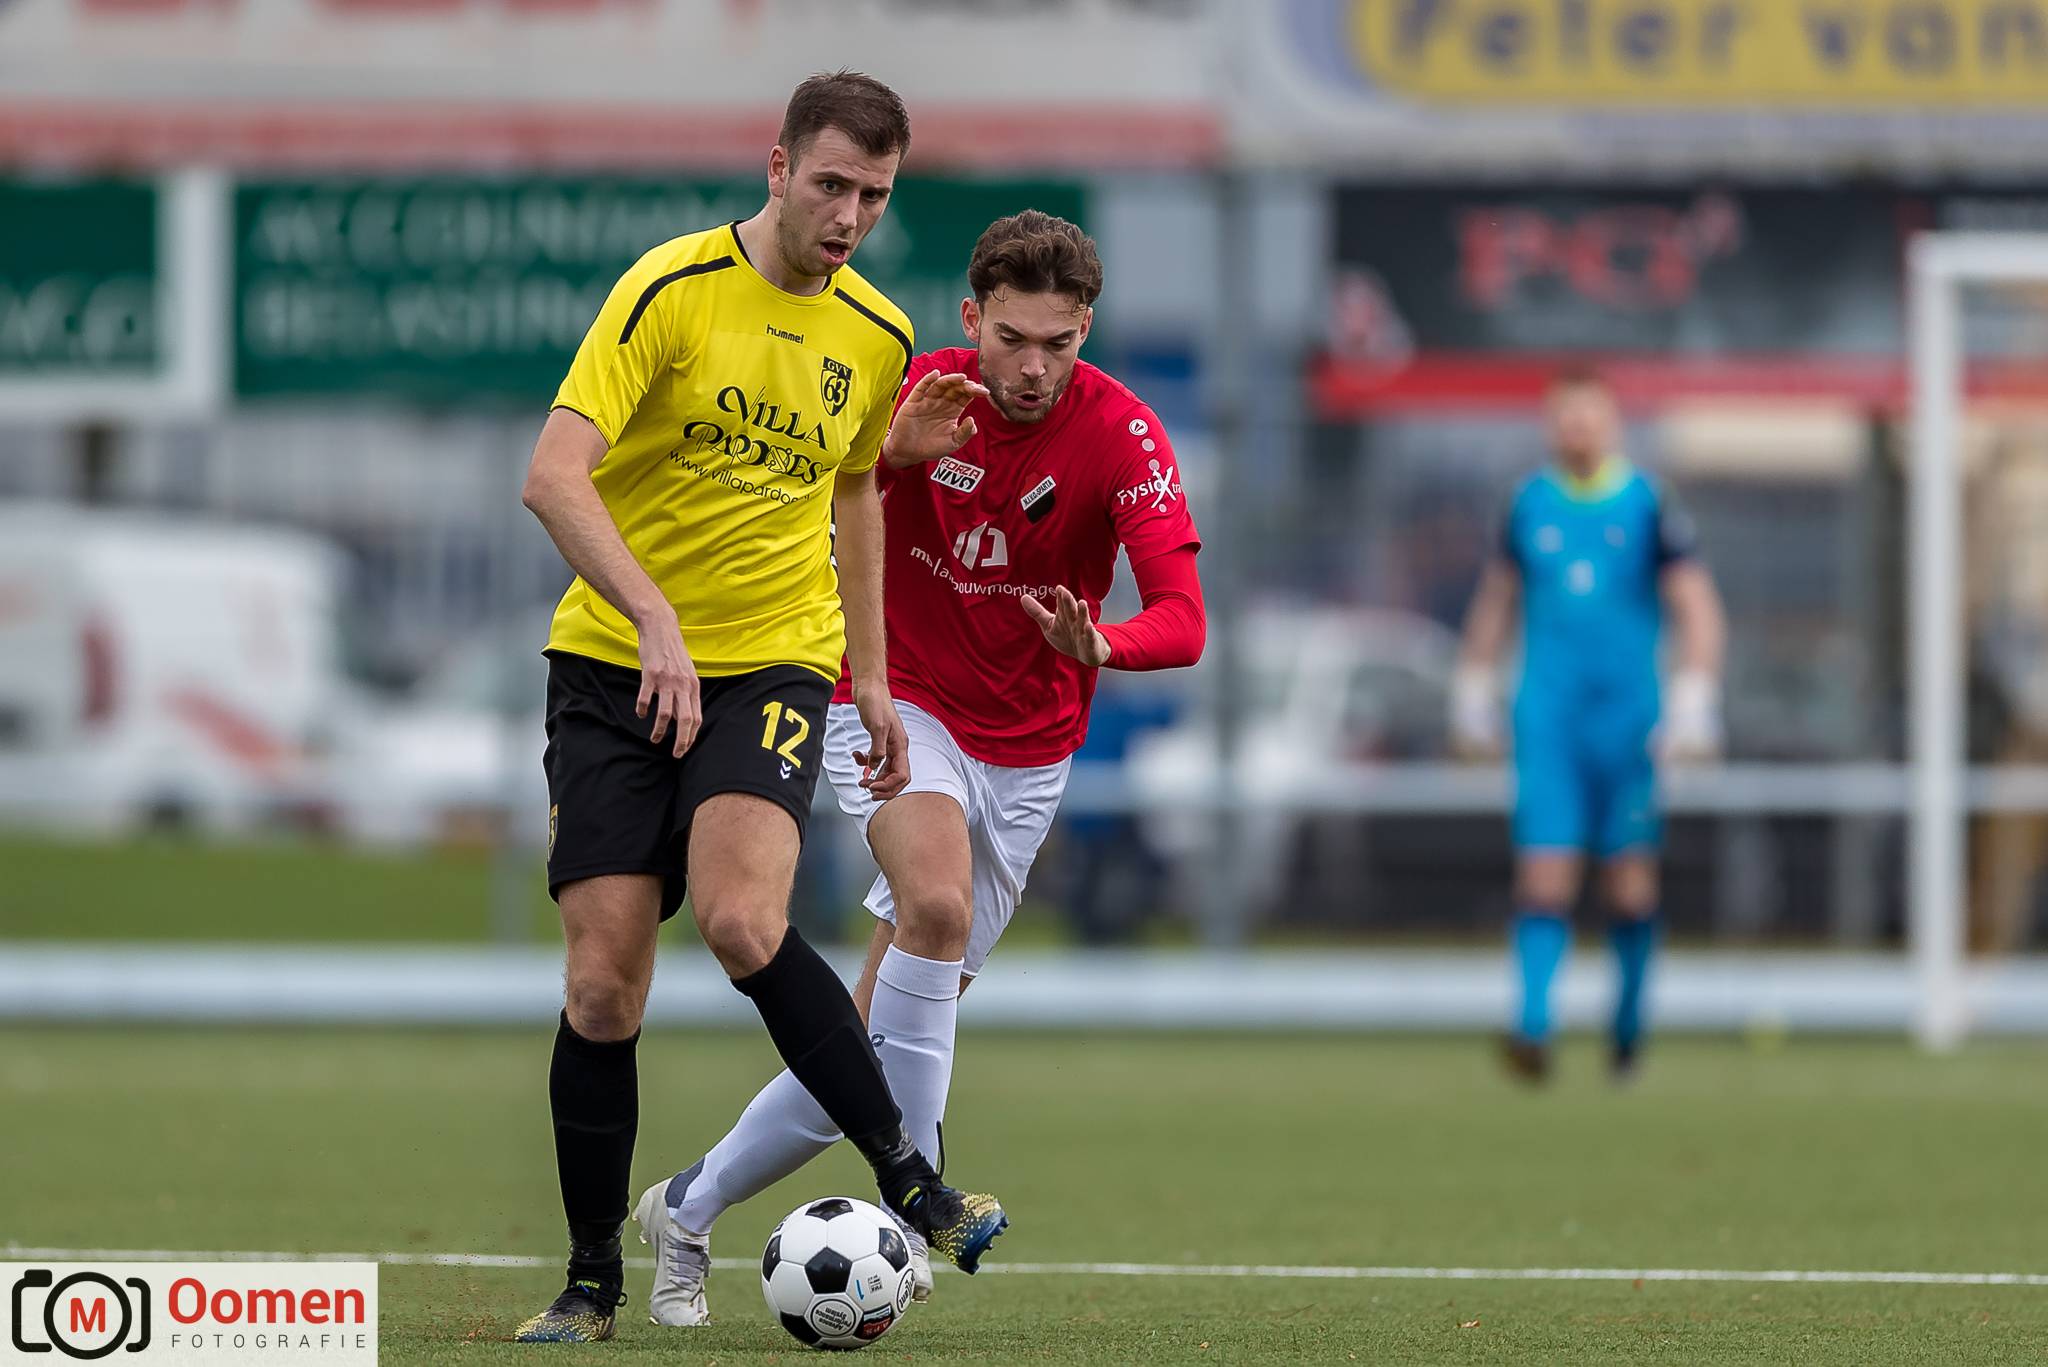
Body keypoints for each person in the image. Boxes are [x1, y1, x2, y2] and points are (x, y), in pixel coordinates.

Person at [631, 209, 1205, 1326]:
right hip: (893, 703)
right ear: (971, 318)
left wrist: (1103, 643)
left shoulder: (1123, 433)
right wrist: (888, 458)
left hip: (1031, 755)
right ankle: (924, 1200)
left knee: (867, 1051)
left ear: (1085, 330)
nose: (1031, 368)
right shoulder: (907, 389)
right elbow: (789, 511)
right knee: (934, 903)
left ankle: (686, 1206)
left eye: (1056, 343)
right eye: (1011, 339)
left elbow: (1182, 618)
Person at [512, 71, 1005, 1344]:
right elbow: (554, 476)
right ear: (776, 168)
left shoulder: (876, 333)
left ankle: (912, 1179)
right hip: (614, 666)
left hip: (772, 663)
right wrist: (651, 617)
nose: (849, 217)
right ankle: (591, 1279)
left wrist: (871, 673)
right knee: (603, 986)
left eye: (874, 196)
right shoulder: (669, 290)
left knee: (742, 916)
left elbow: (856, 489)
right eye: (830, 184)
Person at [1451, 366, 1726, 1083]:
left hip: (1628, 721)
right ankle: (1532, 1028)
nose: (1577, 429)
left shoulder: (1648, 504)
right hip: (1549, 717)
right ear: (1551, 425)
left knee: (1629, 882)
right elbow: (1497, 599)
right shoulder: (1528, 504)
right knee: (1544, 873)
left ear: (1612, 424)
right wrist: (1473, 685)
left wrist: (1695, 695)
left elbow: (1696, 605)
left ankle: (1627, 1036)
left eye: (1589, 416)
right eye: (1565, 417)